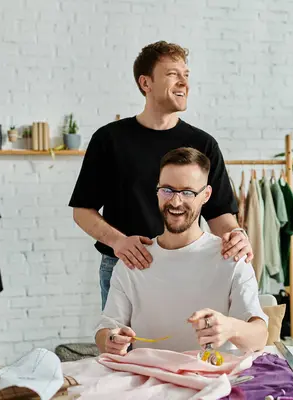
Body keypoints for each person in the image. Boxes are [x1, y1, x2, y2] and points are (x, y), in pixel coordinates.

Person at [69, 41, 253, 309]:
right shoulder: (109, 139)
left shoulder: (203, 144)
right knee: (124, 349)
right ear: (146, 83)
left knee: (188, 347)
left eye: (186, 75)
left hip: (189, 265)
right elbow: (82, 210)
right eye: (172, 74)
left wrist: (236, 235)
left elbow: (219, 213)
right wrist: (119, 242)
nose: (183, 83)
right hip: (125, 265)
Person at [94, 148, 268, 355]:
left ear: (206, 195)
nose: (175, 202)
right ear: (157, 191)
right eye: (167, 190)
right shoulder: (133, 260)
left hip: (213, 380)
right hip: (150, 380)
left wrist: (230, 327)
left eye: (187, 192)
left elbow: (260, 337)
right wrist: (111, 340)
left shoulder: (231, 257)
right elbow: (105, 330)